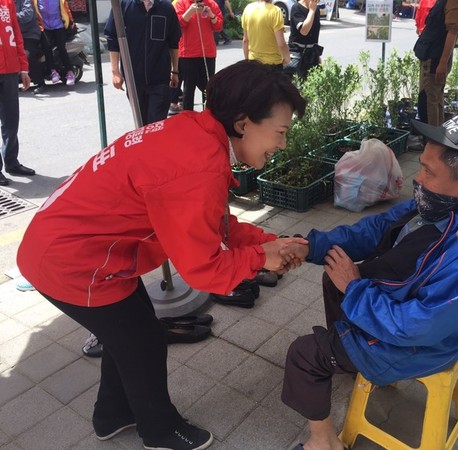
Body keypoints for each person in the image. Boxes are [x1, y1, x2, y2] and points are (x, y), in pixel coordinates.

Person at [16, 60, 307, 450]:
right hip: (72, 261)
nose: (282, 145)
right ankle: (158, 430)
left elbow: (213, 224)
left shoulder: (195, 133)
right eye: (281, 133)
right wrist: (261, 257)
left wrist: (269, 242)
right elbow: (204, 271)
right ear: (243, 123)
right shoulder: (198, 165)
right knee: (141, 340)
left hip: (79, 246)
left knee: (131, 335)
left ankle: (112, 415)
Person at [279, 111, 458, 450]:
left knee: (304, 355)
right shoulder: (448, 202)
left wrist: (355, 290)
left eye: (428, 171)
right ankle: (351, 357)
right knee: (332, 273)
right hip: (406, 306)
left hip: (419, 344)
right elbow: (377, 228)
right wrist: (310, 247)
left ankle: (324, 442)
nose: (418, 178)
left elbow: (420, 326)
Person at [104, 0, 182, 126]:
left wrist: (175, 71)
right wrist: (115, 72)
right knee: (141, 125)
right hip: (134, 80)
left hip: (160, 79)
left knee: (156, 125)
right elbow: (112, 39)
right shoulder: (123, 6)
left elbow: (174, 42)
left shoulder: (166, 8)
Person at [0, 0, 35, 187]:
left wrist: (24, 68)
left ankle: (11, 162)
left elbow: (16, 33)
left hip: (10, 70)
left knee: (11, 121)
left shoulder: (7, 4)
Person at [414, 0, 458, 126]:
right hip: (429, 56)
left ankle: (433, 142)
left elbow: (452, 32)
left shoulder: (454, 2)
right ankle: (434, 140)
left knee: (430, 103)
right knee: (430, 100)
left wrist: (442, 63)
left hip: (435, 60)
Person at [175, 0, 223, 111]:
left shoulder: (211, 4)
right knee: (189, 88)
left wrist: (211, 15)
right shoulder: (181, 3)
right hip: (188, 53)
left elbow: (219, 26)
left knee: (208, 87)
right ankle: (187, 116)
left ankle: (208, 114)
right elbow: (178, 25)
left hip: (207, 52)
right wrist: (190, 11)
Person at [34, 0, 76, 86]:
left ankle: (70, 72)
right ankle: (53, 72)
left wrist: (71, 22)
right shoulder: (35, 1)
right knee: (47, 48)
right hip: (45, 27)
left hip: (59, 25)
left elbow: (66, 10)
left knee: (61, 48)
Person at [241, 0, 290, 69]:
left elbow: (245, 40)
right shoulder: (275, 11)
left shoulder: (248, 9)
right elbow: (281, 44)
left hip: (253, 62)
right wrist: (287, 59)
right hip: (273, 64)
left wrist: (247, 61)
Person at [16, 0, 45, 95]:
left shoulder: (25, 1)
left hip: (30, 33)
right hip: (17, 34)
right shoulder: (7, 3)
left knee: (27, 54)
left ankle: (40, 83)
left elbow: (27, 15)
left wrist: (13, 15)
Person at [286, 0, 321, 78]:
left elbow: (315, 34)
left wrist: (317, 56)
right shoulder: (296, 7)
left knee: (312, 85)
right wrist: (311, 11)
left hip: (311, 53)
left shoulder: (316, 9)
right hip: (297, 52)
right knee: (294, 84)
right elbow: (304, 31)